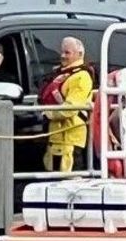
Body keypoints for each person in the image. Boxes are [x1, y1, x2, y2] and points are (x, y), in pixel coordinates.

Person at [37, 36, 95, 173]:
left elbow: (70, 109)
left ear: (79, 54)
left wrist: (47, 114)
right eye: (62, 52)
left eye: (67, 52)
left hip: (71, 139)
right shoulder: (62, 74)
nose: (63, 56)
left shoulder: (81, 77)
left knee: (70, 184)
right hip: (56, 139)